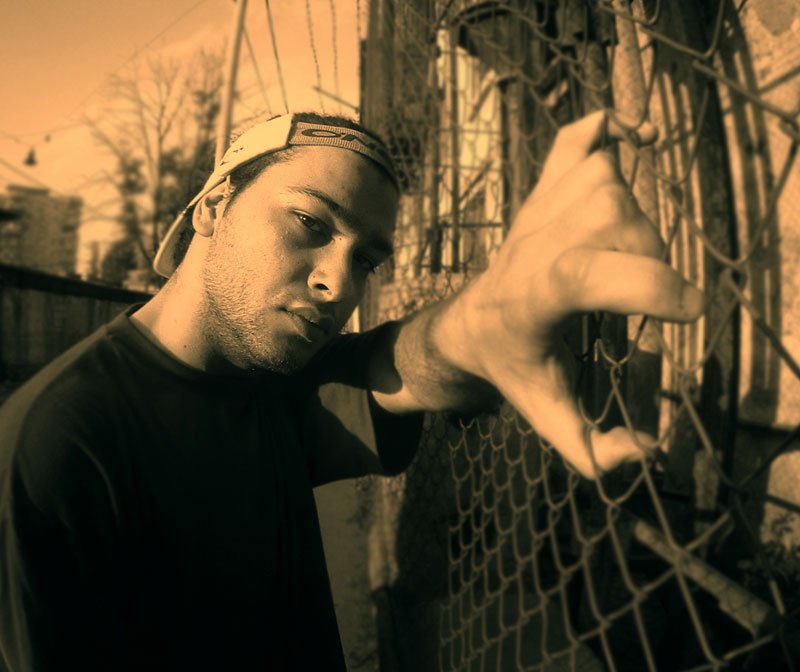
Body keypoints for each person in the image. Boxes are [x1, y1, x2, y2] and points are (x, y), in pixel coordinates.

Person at [0, 110, 702, 670]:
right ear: (213, 207)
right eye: (310, 224)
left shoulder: (271, 377)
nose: (338, 284)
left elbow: (402, 363)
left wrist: (485, 320)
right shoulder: (55, 444)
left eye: (365, 259)